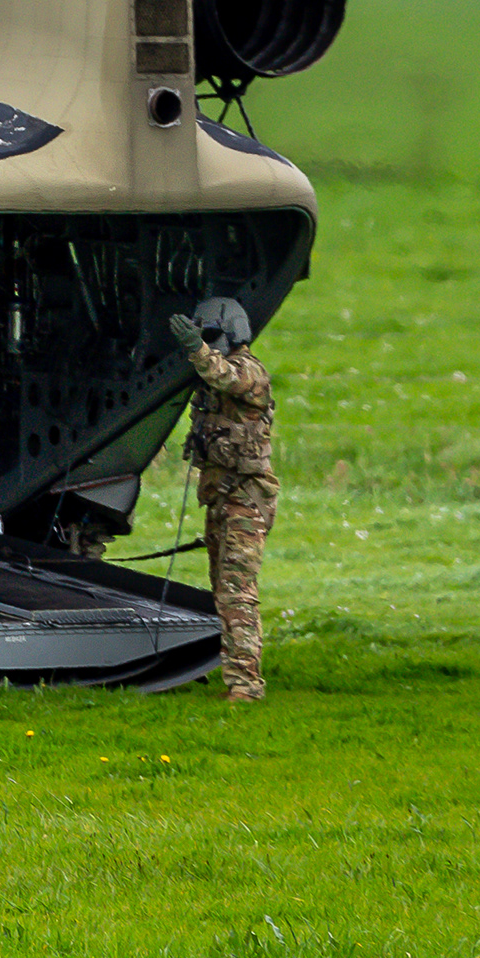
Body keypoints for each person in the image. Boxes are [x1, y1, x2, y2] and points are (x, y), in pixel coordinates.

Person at [169, 296, 279, 702]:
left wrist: (194, 349)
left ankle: (246, 684)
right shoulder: (214, 380)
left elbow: (225, 377)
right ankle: (233, 670)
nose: (208, 346)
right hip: (220, 496)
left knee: (237, 591)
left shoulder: (250, 373)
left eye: (211, 337)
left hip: (246, 499)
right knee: (222, 588)